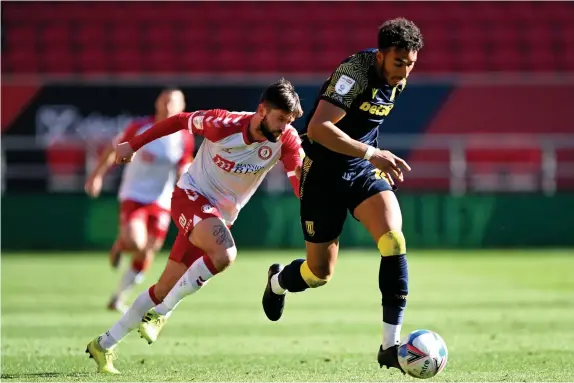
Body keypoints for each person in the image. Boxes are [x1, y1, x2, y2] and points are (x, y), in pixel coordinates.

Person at [85, 78, 305, 374]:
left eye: (289, 121)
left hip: (218, 215)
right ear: (262, 110)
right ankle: (161, 315)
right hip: (190, 197)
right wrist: (133, 145)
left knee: (163, 288)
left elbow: (298, 182)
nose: (283, 127)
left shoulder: (287, 139)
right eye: (280, 119)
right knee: (225, 254)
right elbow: (177, 121)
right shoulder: (222, 124)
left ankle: (103, 344)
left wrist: (318, 191)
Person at [261, 18, 423, 374]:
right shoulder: (355, 72)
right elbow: (318, 129)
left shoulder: (398, 77)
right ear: (381, 55)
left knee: (393, 240)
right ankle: (278, 281)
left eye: (411, 64)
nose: (405, 71)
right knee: (319, 273)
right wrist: (371, 153)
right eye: (399, 63)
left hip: (362, 172)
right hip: (322, 174)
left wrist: (369, 157)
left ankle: (389, 345)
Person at [85, 89, 194, 313]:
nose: (167, 106)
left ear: (181, 108)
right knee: (136, 242)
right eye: (164, 101)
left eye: (172, 102)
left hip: (161, 200)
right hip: (134, 195)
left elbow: (184, 165)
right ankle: (121, 244)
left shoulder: (183, 137)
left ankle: (118, 298)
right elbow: (113, 149)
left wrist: (189, 181)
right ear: (157, 102)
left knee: (148, 250)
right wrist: (97, 175)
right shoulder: (140, 127)